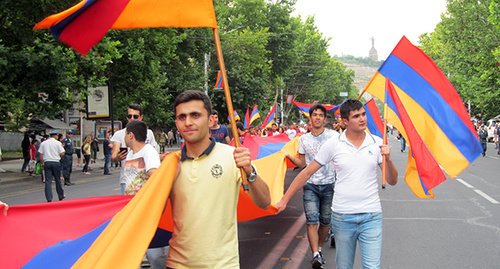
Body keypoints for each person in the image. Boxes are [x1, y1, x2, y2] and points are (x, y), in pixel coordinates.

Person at [275, 99, 398, 269]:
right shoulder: (334, 144)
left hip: (371, 215)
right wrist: (285, 199)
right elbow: (307, 172)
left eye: (363, 114)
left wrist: (388, 159)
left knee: (372, 267)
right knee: (344, 266)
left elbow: (392, 180)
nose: (362, 119)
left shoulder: (376, 142)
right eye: (356, 116)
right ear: (345, 121)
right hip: (343, 216)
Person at [166, 90, 271, 268]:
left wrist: (249, 171)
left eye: (195, 115)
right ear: (176, 123)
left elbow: (265, 202)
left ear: (210, 120)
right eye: (182, 117)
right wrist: (163, 182)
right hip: (177, 264)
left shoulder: (233, 156)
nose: (188, 122)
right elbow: (154, 213)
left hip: (222, 264)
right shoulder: (170, 164)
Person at [283, 105, 338, 268]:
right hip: (310, 185)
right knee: (312, 220)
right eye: (315, 115)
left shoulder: (333, 136)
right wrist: (288, 157)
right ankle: (315, 254)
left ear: (325, 118)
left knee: (326, 220)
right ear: (310, 118)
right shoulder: (303, 139)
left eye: (321, 115)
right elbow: (302, 163)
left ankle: (319, 248)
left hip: (329, 184)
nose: (318, 118)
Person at [121, 120, 166, 268]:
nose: (125, 137)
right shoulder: (130, 154)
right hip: (131, 209)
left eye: (126, 134)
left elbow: (154, 174)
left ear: (131, 135)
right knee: (133, 250)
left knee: (155, 255)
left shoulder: (148, 151)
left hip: (147, 208)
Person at [111, 103, 157, 195]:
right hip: (127, 180)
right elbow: (113, 156)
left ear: (141, 117)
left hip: (145, 183)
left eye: (135, 116)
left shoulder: (149, 135)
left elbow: (154, 159)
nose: (132, 119)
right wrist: (118, 158)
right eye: (129, 116)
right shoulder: (120, 134)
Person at [38, 130, 66, 202]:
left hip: (47, 162)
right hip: (56, 162)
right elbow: (62, 153)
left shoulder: (43, 143)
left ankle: (49, 198)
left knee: (48, 180)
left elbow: (40, 154)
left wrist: (42, 163)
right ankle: (60, 195)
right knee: (57, 179)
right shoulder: (58, 143)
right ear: (56, 136)